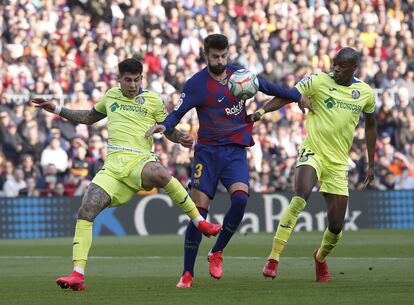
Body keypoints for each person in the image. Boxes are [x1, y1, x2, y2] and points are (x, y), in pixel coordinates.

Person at [31, 58, 221, 291]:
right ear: (119, 79)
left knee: (160, 174)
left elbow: (167, 128)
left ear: (142, 78)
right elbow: (89, 117)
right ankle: (78, 274)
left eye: (137, 80)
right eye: (128, 80)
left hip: (140, 160)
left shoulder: (152, 99)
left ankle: (199, 222)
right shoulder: (111, 96)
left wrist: (181, 137)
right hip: (113, 167)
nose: (132, 85)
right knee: (86, 209)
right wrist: (57, 109)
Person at [145, 34, 311, 288]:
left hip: (235, 151)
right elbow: (177, 113)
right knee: (198, 215)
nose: (220, 61)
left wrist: (297, 96)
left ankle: (217, 252)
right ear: (206, 55)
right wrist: (164, 126)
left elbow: (270, 88)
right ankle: (187, 273)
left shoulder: (240, 76)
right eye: (215, 56)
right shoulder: (196, 85)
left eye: (224, 56)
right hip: (208, 154)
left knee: (241, 199)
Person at [252, 47, 377, 282]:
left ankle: (320, 257)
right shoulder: (318, 80)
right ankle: (273, 258)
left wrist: (371, 163)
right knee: (300, 196)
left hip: (338, 162)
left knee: (337, 227)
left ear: (353, 68)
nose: (336, 68)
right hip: (313, 151)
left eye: (341, 65)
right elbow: (287, 95)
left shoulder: (365, 93)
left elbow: (371, 126)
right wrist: (261, 111)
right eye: (334, 64)